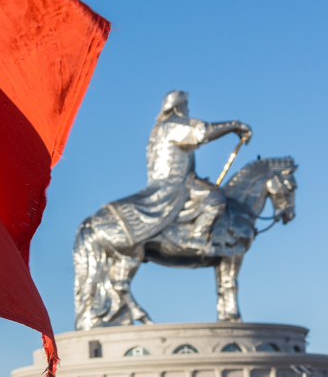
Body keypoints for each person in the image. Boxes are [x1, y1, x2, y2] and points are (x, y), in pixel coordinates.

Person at [107, 90, 251, 254]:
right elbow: (202, 132)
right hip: (175, 183)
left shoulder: (159, 129)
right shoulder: (174, 124)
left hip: (168, 181)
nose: (187, 109)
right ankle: (198, 239)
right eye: (185, 105)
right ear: (177, 107)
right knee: (215, 197)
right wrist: (234, 125)